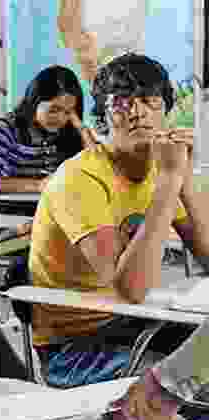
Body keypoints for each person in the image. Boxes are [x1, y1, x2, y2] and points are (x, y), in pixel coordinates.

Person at [28, 53, 209, 388]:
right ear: (103, 115)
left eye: (148, 100)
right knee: (199, 378)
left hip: (138, 325)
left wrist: (184, 176)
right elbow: (133, 290)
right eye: (122, 102)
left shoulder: (160, 166)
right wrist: (170, 181)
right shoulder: (80, 177)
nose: (137, 111)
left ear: (165, 110)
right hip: (75, 347)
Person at [0, 65, 98, 194]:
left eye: (68, 112)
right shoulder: (4, 129)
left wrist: (82, 130)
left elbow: (100, 172)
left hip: (58, 208)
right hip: (14, 209)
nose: (61, 119)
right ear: (34, 100)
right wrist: (38, 185)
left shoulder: (69, 130)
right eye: (54, 110)